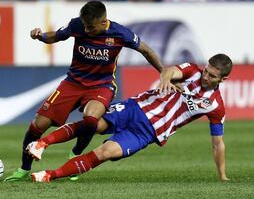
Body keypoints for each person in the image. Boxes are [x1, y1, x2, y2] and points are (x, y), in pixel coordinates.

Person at [5, 0, 164, 181]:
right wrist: (40, 36)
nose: (86, 31)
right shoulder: (77, 24)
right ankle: (24, 168)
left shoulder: (121, 33)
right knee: (38, 125)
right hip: (73, 82)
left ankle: (76, 153)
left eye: (91, 28)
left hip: (102, 85)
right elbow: (56, 36)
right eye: (85, 27)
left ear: (104, 22)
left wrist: (164, 72)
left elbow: (147, 50)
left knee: (91, 119)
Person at [29, 54, 232, 183]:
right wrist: (167, 79)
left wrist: (222, 176)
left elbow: (218, 144)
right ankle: (42, 143)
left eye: (212, 76)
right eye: (206, 71)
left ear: (223, 79)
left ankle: (49, 175)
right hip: (135, 107)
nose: (205, 77)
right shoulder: (193, 71)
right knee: (95, 124)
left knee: (105, 152)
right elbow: (170, 70)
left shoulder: (215, 106)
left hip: (148, 132)